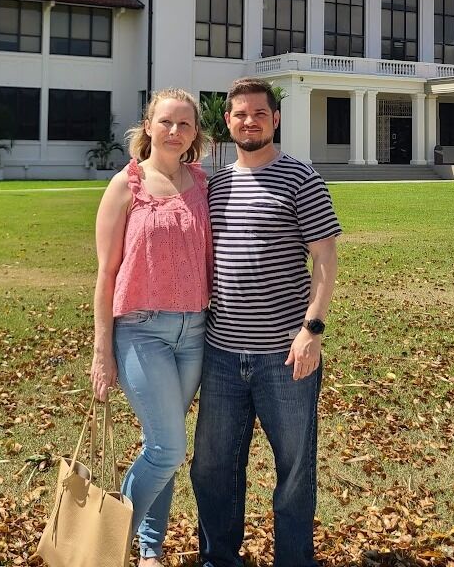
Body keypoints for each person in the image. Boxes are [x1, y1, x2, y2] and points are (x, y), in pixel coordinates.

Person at [191, 77, 341, 567]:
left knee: (295, 469)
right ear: (228, 122)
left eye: (258, 113)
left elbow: (325, 260)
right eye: (239, 114)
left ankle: (294, 560)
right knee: (213, 468)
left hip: (286, 355)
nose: (249, 120)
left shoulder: (301, 178)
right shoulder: (217, 184)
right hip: (221, 354)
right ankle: (218, 559)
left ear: (275, 119)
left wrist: (311, 332)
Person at [90, 88, 212, 567]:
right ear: (148, 125)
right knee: (168, 447)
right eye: (166, 122)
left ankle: (149, 549)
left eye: (185, 124)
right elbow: (105, 274)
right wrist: (102, 353)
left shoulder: (203, 183)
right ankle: (107, 543)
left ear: (195, 133)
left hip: (195, 333)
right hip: (141, 331)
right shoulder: (127, 184)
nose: (175, 131)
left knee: (161, 445)